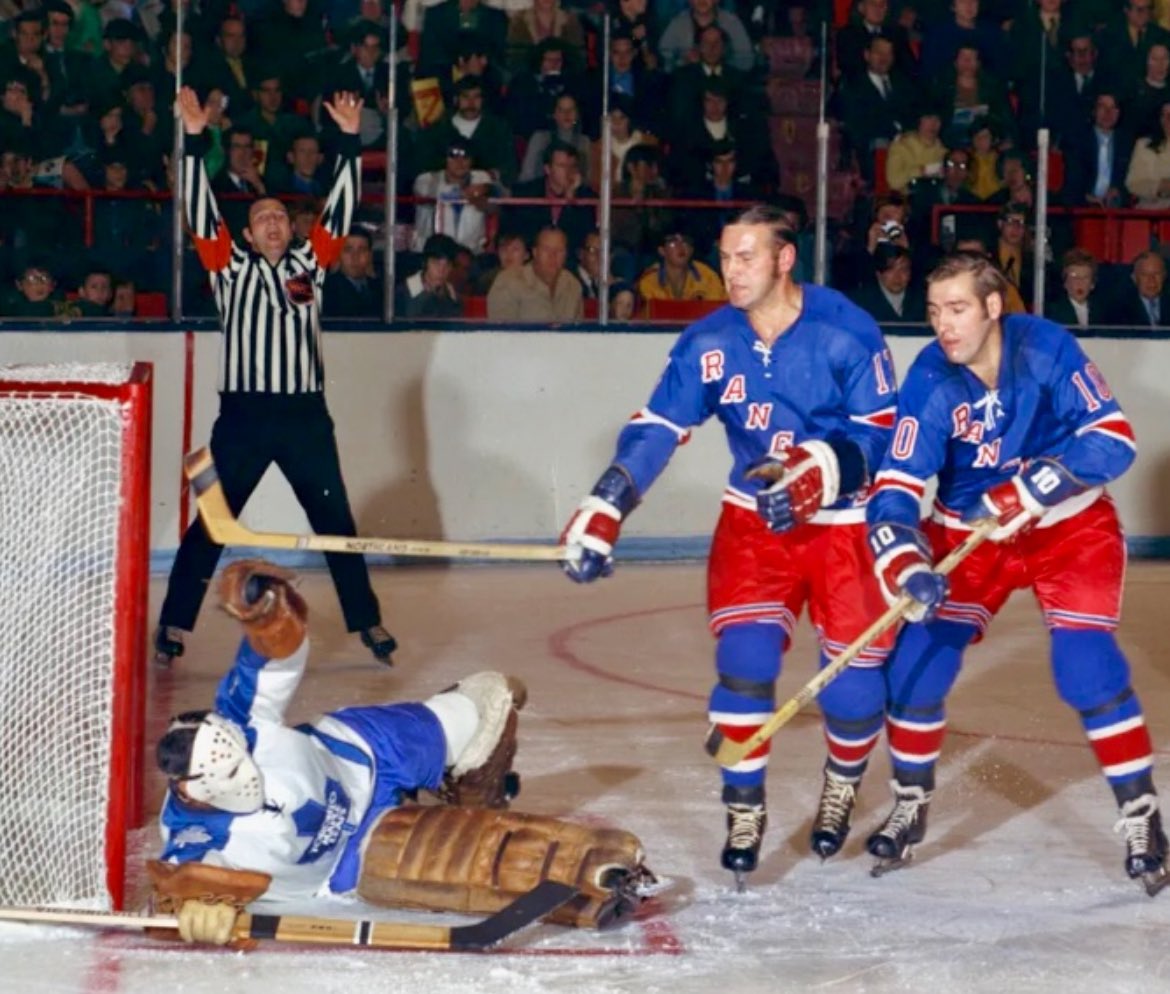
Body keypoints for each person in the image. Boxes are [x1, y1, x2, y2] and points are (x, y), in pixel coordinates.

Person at [558, 204, 899, 883]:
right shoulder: (709, 340)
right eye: (726, 256)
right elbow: (658, 425)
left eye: (746, 256)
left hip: (844, 528)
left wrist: (822, 470)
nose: (730, 271)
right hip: (755, 525)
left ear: (784, 258)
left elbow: (882, 433)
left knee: (855, 690)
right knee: (743, 665)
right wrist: (608, 503)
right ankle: (744, 805)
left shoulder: (847, 331)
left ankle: (842, 781)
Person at [863, 251, 1168, 893]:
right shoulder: (929, 378)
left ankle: (1142, 816)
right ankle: (911, 800)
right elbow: (894, 487)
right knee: (915, 669)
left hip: (1069, 527)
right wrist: (905, 558)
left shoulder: (1047, 346)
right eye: (933, 312)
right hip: (971, 537)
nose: (943, 326)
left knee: (1086, 667)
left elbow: (1113, 438)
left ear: (993, 306)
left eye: (958, 309)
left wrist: (1030, 492)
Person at [151, 559, 652, 942]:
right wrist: (200, 907)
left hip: (365, 749)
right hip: (355, 851)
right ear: (193, 789)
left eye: (241, 757)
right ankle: (551, 862)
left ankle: (472, 794)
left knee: (492, 701)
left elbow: (272, 658)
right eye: (230, 772)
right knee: (475, 863)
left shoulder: (239, 719)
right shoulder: (192, 836)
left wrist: (268, 613)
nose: (247, 773)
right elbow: (178, 890)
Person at [153, 87, 396, 668]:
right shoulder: (227, 267)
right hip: (243, 418)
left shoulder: (310, 265)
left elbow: (341, 206)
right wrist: (193, 139)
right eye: (262, 217)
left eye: (281, 218)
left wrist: (346, 140)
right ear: (247, 232)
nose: (273, 224)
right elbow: (198, 206)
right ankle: (173, 625)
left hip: (305, 418)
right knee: (211, 522)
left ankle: (368, 622)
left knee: (336, 523)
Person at [486, 225, 582, 322]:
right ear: (535, 252)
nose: (552, 256)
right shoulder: (508, 282)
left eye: (559, 250)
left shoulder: (573, 285)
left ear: (566, 255)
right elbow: (501, 332)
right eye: (546, 249)